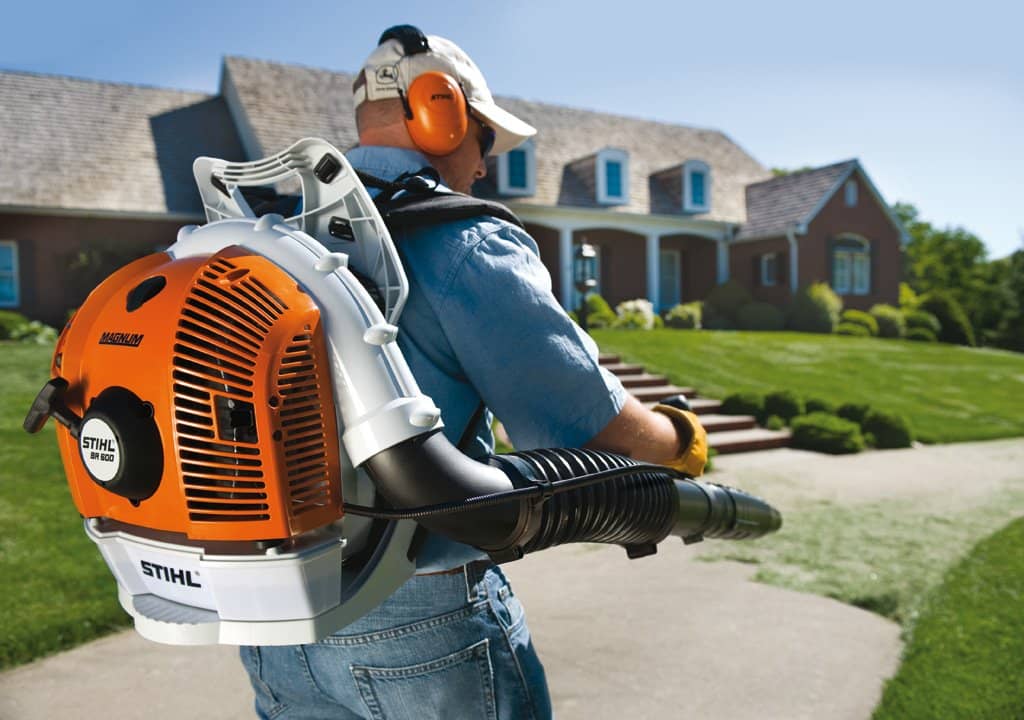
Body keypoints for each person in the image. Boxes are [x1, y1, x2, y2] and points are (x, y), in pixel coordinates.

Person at [239, 25, 707, 720]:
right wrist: (678, 440)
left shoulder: (270, 240)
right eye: (483, 140)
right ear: (440, 109)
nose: (484, 165)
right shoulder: (463, 241)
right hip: (418, 616)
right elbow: (594, 427)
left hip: (275, 619)